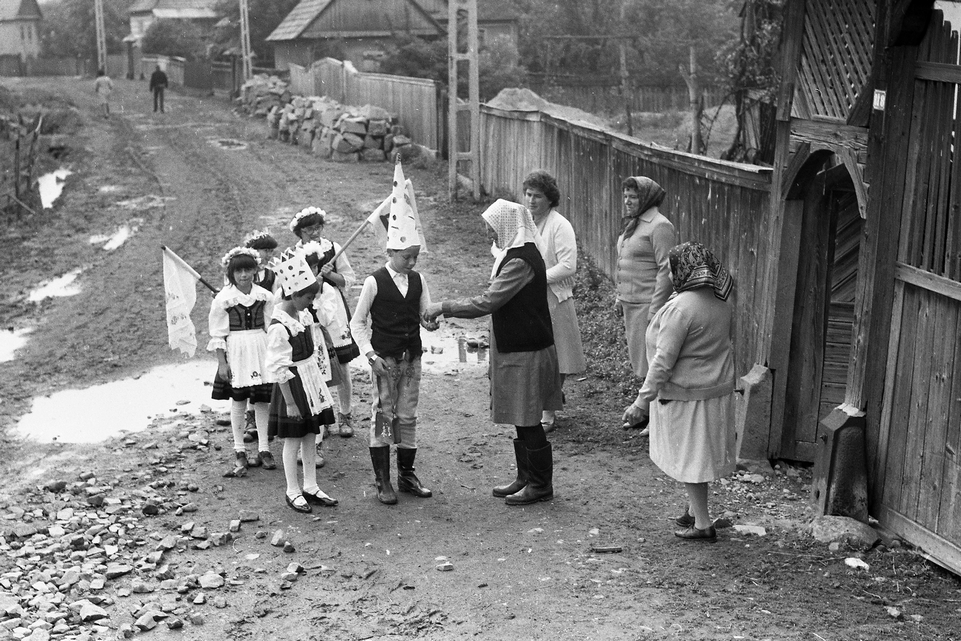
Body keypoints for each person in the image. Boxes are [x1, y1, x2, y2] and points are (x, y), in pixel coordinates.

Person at [426, 200, 562, 506]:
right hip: (518, 346)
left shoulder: (520, 262)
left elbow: (488, 301)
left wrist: (443, 306)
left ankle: (541, 484)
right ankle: (526, 477)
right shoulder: (515, 254)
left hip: (527, 350)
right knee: (520, 415)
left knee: (528, 417)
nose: (488, 232)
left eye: (492, 227)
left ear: (507, 226)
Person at [622, 242, 735, 542]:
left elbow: (663, 361)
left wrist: (641, 401)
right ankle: (695, 510)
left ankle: (703, 524)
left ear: (685, 270)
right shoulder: (721, 300)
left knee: (690, 460)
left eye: (672, 269)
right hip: (715, 390)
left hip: (688, 395)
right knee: (699, 456)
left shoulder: (680, 309)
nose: (670, 276)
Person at [350, 205, 438, 505]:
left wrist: (429, 322)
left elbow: (424, 313)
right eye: (406, 257)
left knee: (408, 413)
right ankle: (383, 479)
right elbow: (357, 323)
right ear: (390, 251)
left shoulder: (418, 280)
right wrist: (370, 355)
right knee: (385, 412)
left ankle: (406, 475)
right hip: (385, 362)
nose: (411, 262)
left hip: (411, 359)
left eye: (415, 257)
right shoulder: (374, 282)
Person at [266, 248, 339, 513]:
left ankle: (311, 485)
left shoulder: (303, 315)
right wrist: (290, 403)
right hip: (293, 385)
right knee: (293, 438)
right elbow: (279, 367)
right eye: (307, 298)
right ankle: (292, 490)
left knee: (311, 433)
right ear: (293, 294)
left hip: (310, 381)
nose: (310, 303)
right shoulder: (279, 327)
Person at [523, 170, 586, 432]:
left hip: (554, 298)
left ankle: (548, 411)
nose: (531, 200)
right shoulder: (526, 222)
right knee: (534, 353)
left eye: (537, 196)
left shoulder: (560, 225)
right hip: (529, 297)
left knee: (556, 355)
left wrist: (537, 278)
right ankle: (543, 401)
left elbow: (568, 265)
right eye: (528, 194)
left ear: (550, 199)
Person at [289, 207, 360, 437]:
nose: (314, 233)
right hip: (306, 309)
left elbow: (348, 280)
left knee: (342, 363)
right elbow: (289, 288)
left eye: (318, 227)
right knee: (314, 364)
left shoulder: (333, 249)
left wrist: (329, 275)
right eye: (308, 229)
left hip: (332, 309)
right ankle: (323, 417)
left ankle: (345, 415)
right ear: (299, 232)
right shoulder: (293, 254)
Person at [615, 176, 676, 434]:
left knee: (652, 362)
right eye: (626, 196)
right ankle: (648, 412)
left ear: (647, 198)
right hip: (631, 302)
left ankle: (657, 420)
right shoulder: (634, 224)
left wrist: (655, 309)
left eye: (634, 196)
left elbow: (666, 269)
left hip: (647, 303)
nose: (628, 201)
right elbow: (625, 259)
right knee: (641, 360)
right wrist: (619, 296)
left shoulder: (660, 226)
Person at [207, 247, 276, 475]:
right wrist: (222, 362)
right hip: (236, 350)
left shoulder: (264, 296)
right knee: (239, 400)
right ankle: (239, 450)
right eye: (238, 271)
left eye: (248, 270)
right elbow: (218, 334)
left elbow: (271, 326)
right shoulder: (223, 299)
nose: (243, 275)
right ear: (231, 273)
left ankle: (264, 448)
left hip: (260, 348)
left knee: (262, 400)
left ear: (255, 270)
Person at [240, 229, 280, 444]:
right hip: (246, 331)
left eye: (271, 251)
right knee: (249, 374)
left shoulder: (271, 275)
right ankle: (250, 418)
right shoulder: (242, 274)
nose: (268, 255)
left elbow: (276, 301)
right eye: (265, 251)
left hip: (264, 330)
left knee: (266, 375)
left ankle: (267, 421)